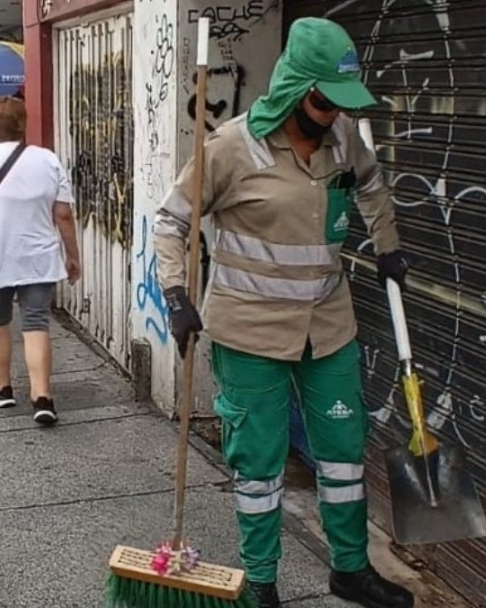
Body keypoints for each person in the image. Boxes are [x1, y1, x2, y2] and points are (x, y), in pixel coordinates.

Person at [152, 17, 413, 608]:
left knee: (344, 452)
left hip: (328, 326)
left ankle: (350, 570)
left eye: (338, 103)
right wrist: (176, 295)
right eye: (323, 101)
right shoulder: (229, 149)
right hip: (250, 332)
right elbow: (171, 223)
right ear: (296, 87)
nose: (330, 115)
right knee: (259, 463)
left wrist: (389, 245)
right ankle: (261, 581)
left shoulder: (345, 137)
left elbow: (370, 187)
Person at [0, 96, 81, 425]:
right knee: (36, 322)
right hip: (38, 255)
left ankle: (2, 389)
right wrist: (73, 256)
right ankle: (42, 397)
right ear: (23, 123)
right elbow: (64, 215)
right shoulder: (47, 160)